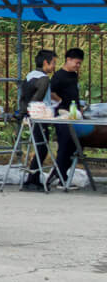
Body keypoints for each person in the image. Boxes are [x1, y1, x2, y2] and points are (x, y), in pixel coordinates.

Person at [19, 48, 57, 188]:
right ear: (46, 62)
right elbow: (37, 99)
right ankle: (32, 179)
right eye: (53, 63)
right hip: (39, 118)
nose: (54, 67)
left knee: (38, 146)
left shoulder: (30, 75)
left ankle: (32, 179)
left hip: (28, 116)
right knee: (42, 148)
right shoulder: (44, 79)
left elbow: (24, 97)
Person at [49, 48, 84, 188]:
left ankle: (59, 173)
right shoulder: (58, 76)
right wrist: (62, 101)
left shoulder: (74, 75)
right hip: (62, 114)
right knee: (64, 144)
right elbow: (51, 92)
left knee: (76, 145)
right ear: (68, 59)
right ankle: (61, 177)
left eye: (80, 63)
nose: (78, 66)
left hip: (74, 114)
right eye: (76, 63)